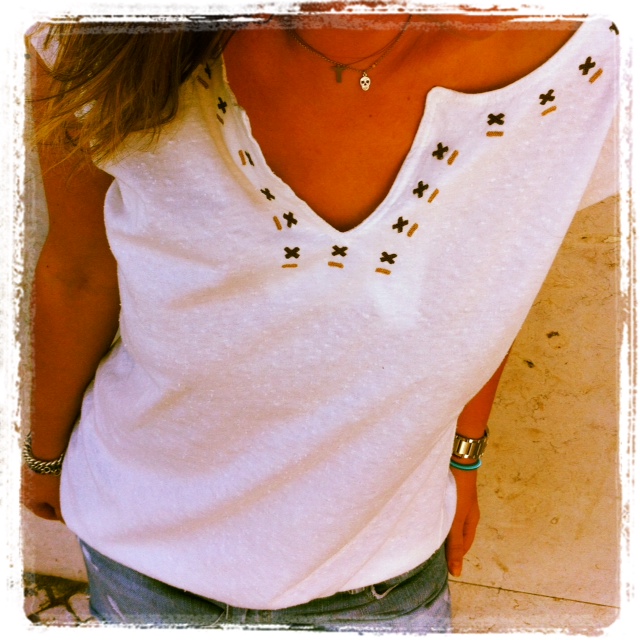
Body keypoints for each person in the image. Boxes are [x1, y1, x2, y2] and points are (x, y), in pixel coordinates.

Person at [22, 6, 617, 631]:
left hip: (382, 575)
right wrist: (45, 459)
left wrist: (465, 454)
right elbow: (79, 272)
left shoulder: (594, 64)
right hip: (137, 549)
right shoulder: (94, 35)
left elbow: (496, 278)